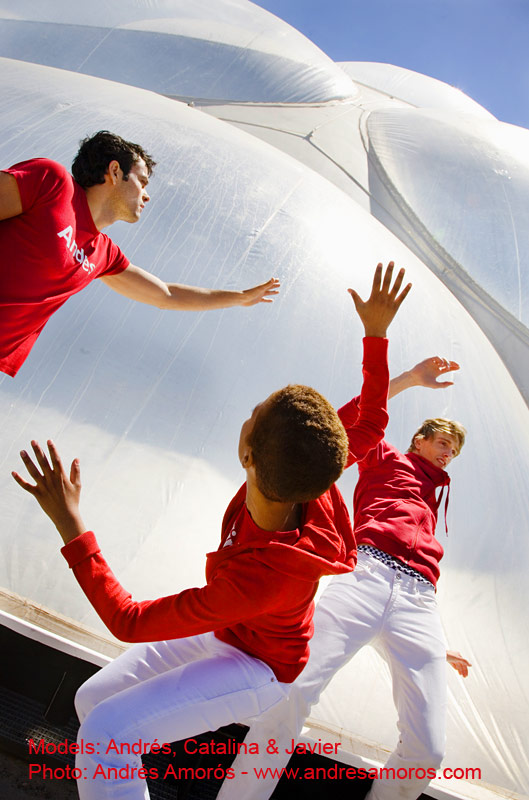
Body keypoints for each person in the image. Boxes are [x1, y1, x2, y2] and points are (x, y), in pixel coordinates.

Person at [12, 262, 411, 799]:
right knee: (91, 704)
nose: (247, 413)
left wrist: (71, 524)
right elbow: (368, 424)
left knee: (107, 735)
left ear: (247, 455)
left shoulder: (261, 577)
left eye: (253, 412)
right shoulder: (310, 475)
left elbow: (127, 621)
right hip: (230, 632)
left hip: (257, 671)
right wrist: (376, 333)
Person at [217, 357, 471, 800]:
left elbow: (418, 560)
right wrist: (410, 379)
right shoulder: (386, 456)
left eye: (454, 449)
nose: (448, 452)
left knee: (428, 751)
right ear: (420, 439)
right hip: (367, 574)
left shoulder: (433, 498)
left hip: (420, 600)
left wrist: (434, 638)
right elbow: (349, 419)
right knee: (291, 693)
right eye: (443, 442)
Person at [0, 130, 280, 377]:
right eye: (142, 181)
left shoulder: (102, 254)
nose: (147, 195)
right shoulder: (52, 181)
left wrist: (240, 297)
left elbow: (167, 295)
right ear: (114, 171)